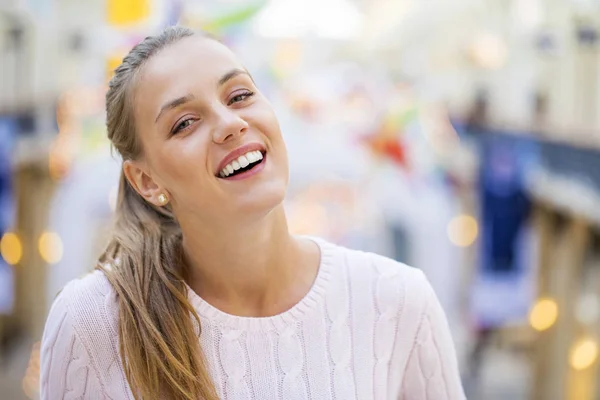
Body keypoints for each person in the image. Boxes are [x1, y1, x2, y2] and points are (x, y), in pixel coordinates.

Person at [40, 26, 465, 400]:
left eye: (240, 95)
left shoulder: (398, 301)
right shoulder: (92, 322)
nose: (230, 123)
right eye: (184, 122)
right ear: (147, 182)